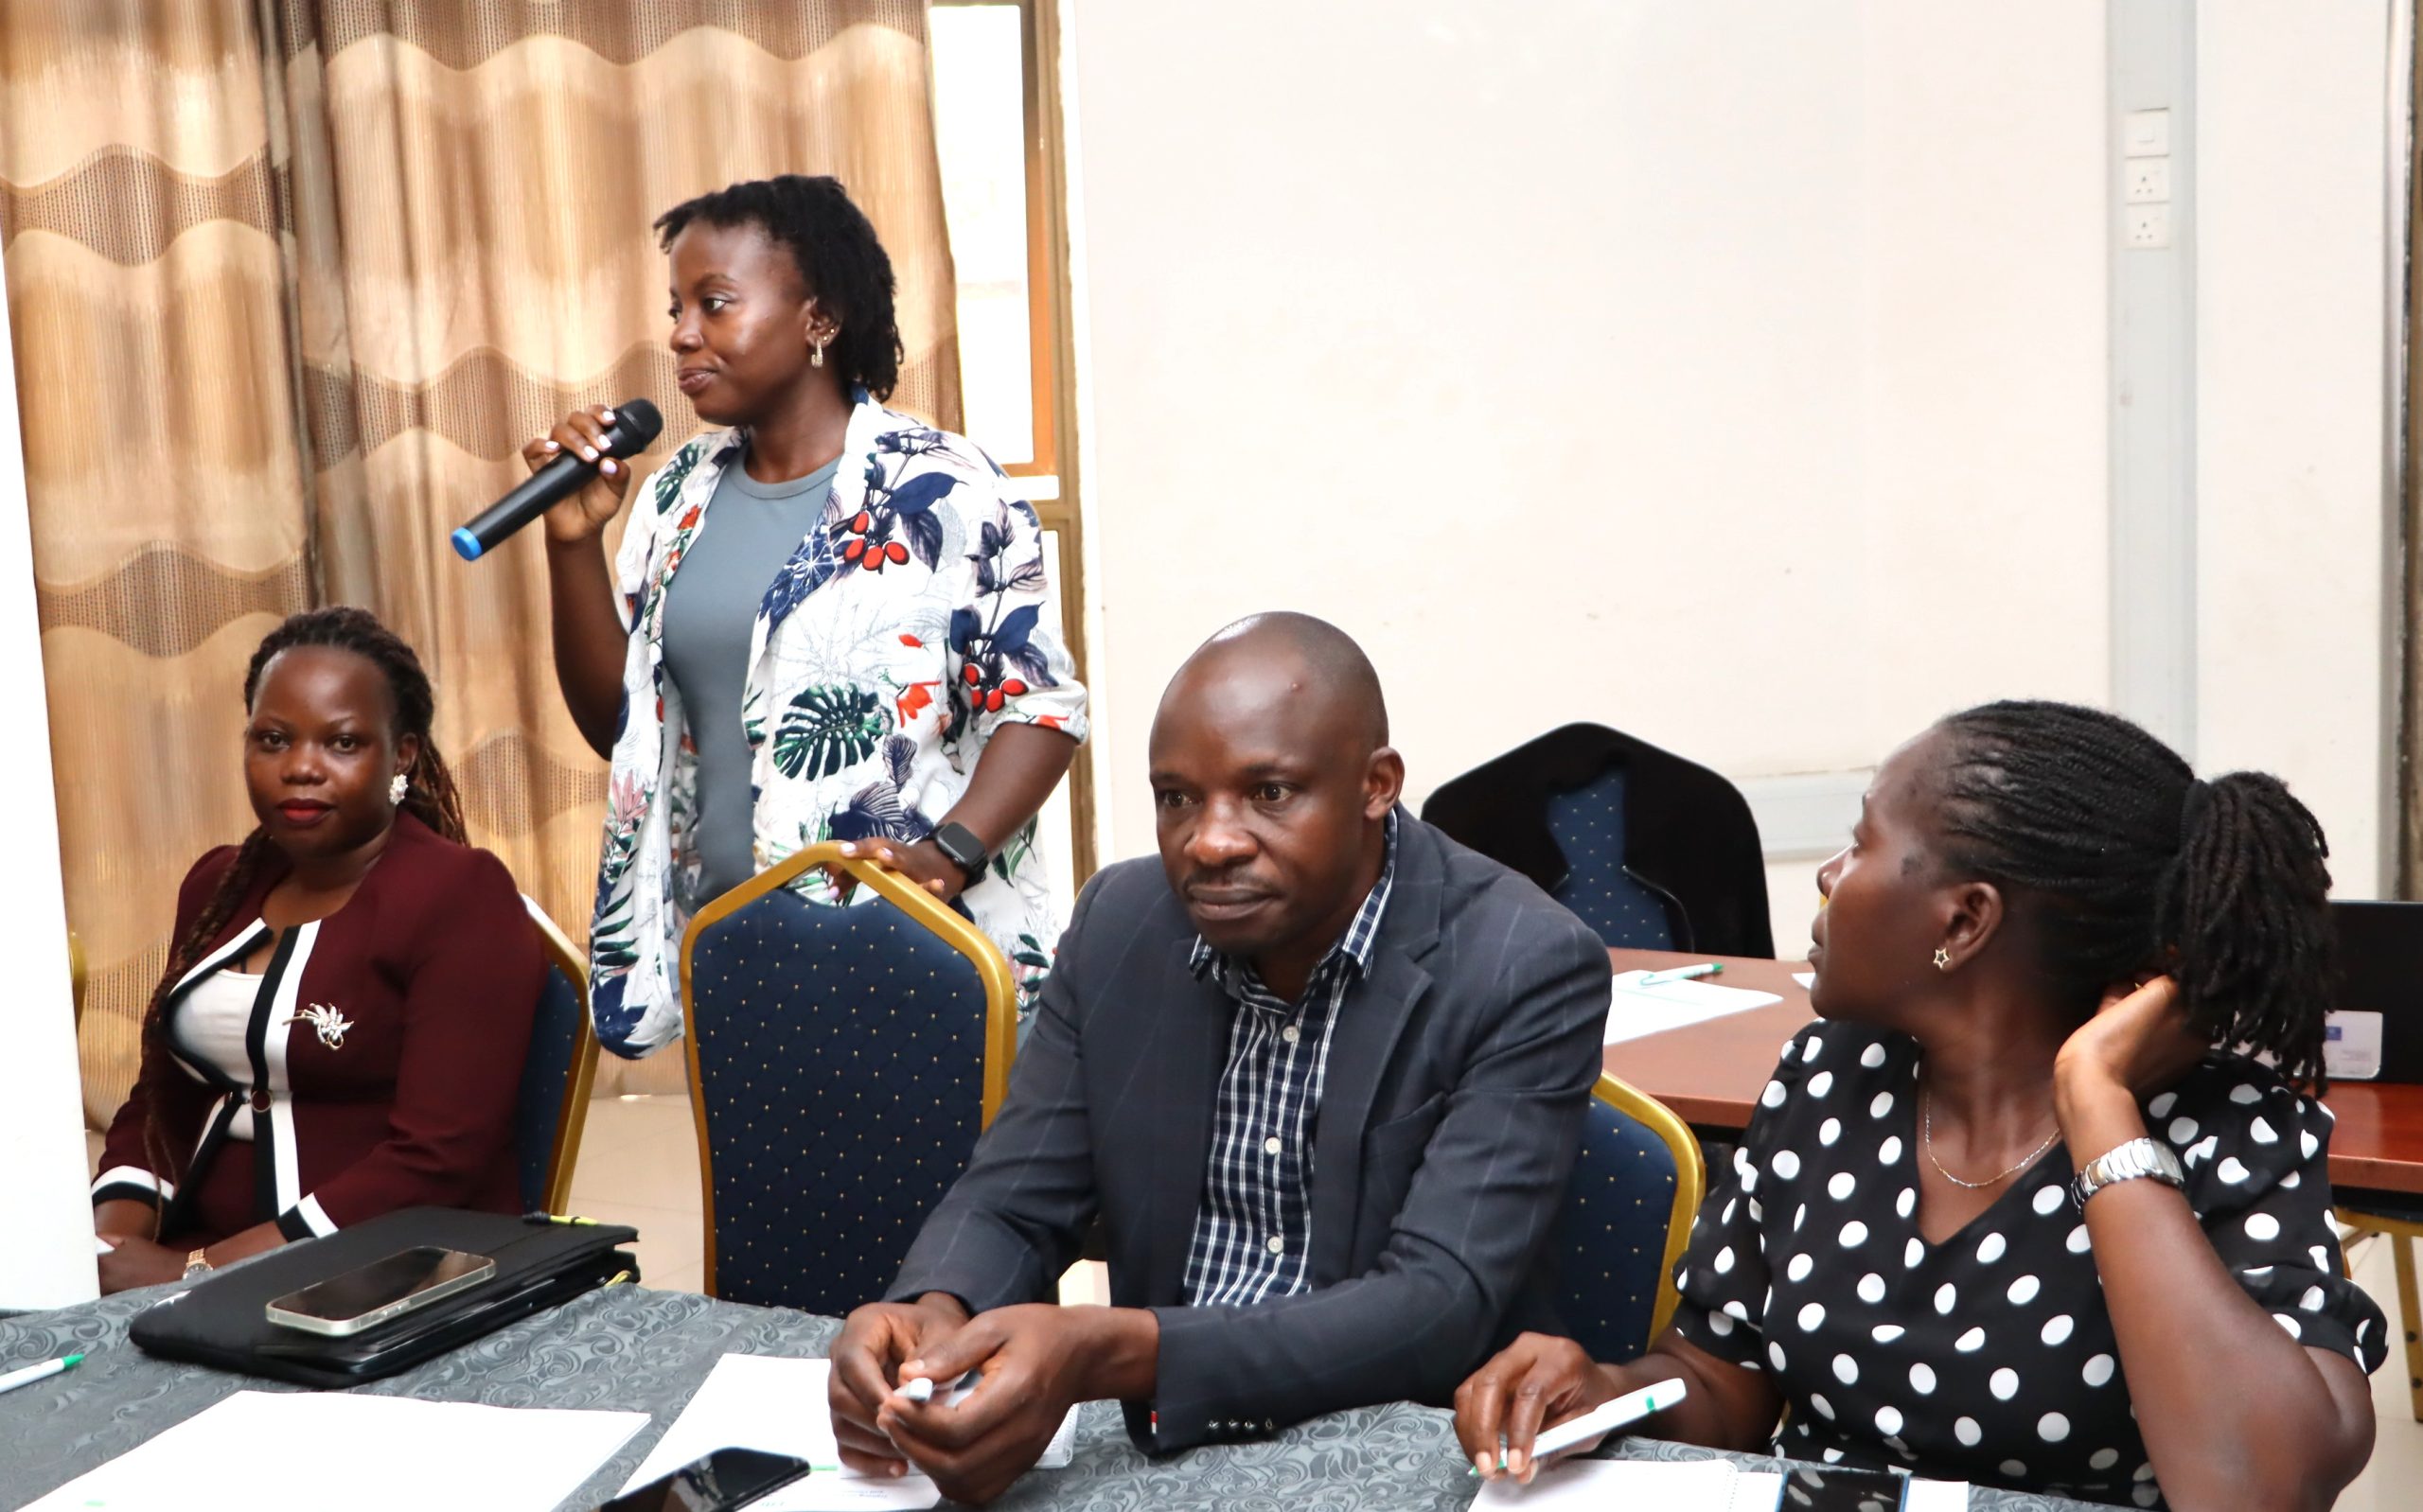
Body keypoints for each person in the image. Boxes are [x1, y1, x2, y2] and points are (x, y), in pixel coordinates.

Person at [1455, 700, 2384, 1510]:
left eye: (1860, 843)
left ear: (1963, 920)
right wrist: (1606, 1388)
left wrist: (2096, 1101)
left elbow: (2263, 1488)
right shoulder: (1829, 1078)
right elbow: (1717, 1379)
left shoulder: (2220, 1126)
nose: (1828, 875)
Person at [824, 613, 1613, 1505]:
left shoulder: (1523, 959)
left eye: (1269, 793)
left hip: (1402, 1451)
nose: (1210, 841)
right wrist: (937, 1313)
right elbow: (1013, 1197)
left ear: (1376, 786)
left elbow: (1438, 1302)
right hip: (1162, 1453)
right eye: (1177, 798)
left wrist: (1108, 1349)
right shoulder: (1123, 924)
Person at [526, 174, 1086, 1057]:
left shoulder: (940, 486)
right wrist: (570, 547)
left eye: (714, 304)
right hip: (731, 946)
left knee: (936, 1198)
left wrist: (947, 857)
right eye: (676, 307)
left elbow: (1040, 709)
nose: (681, 333)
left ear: (818, 318)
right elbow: (625, 731)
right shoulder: (677, 495)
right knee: (762, 1198)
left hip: (909, 949)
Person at [91, 608, 544, 1293]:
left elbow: (436, 1159)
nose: (301, 767)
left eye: (342, 743)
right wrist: (108, 1242)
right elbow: (161, 1104)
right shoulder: (219, 884)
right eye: (273, 739)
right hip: (198, 1256)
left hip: (389, 1268)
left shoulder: (459, 894)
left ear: (403, 756)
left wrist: (198, 1273)